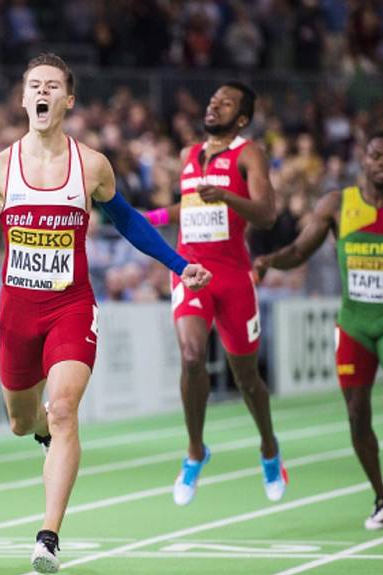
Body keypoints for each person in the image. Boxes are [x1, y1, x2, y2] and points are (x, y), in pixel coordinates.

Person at [0, 53, 211, 574]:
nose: (44, 92)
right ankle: (42, 436)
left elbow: (130, 223)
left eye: (54, 85)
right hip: (17, 315)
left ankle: (48, 536)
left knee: (64, 408)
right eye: (36, 85)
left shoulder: (92, 165)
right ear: (25, 98)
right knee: (20, 420)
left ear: (67, 100)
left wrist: (180, 263)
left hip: (70, 307)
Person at [253, 132, 383, 529]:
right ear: (363, 160)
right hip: (353, 323)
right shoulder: (337, 203)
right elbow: (301, 250)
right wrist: (269, 259)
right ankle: (381, 497)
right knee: (357, 415)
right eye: (376, 157)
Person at [143, 81, 286, 506]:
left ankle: (268, 446)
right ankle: (194, 451)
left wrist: (225, 195)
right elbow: (186, 207)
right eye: (212, 99)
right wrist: (144, 217)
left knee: (246, 377)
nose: (213, 104)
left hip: (233, 275)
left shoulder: (249, 153)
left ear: (241, 118)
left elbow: (268, 214)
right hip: (191, 270)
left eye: (225, 103)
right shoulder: (190, 154)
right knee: (190, 356)